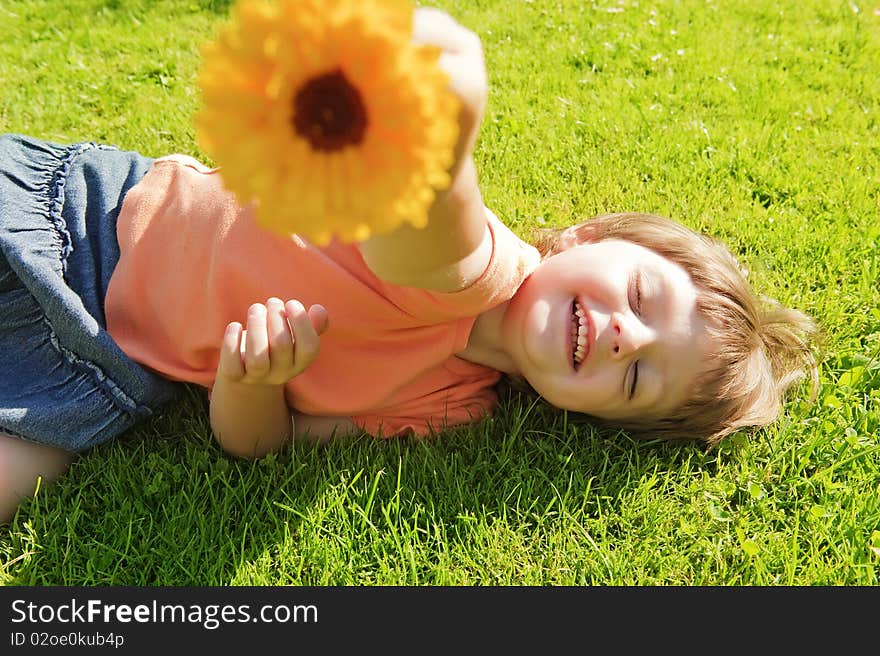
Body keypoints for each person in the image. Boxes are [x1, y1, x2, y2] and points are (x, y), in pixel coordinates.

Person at [0, 7, 817, 523]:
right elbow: (438, 250)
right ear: (590, 234)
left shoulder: (452, 408)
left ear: (597, 416)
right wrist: (436, 141)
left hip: (104, 372)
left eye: (637, 376)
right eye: (640, 295)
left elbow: (269, 446)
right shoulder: (482, 261)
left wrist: (251, 383)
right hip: (80, 219)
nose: (618, 336)